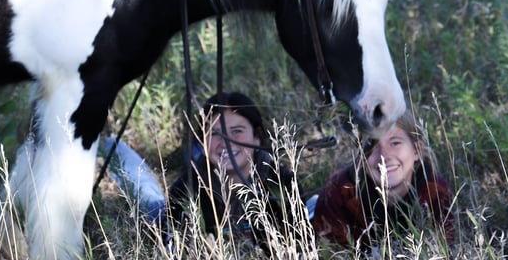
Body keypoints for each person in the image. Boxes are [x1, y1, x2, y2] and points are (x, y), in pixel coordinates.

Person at [168, 91, 304, 248]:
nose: (225, 142)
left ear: (257, 136)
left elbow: (302, 247)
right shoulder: (185, 192)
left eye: (237, 131)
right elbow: (176, 250)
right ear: (202, 141)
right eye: (215, 133)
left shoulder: (284, 185)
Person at [311, 110, 454, 247]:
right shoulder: (339, 193)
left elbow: (445, 246)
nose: (384, 156)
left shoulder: (435, 192)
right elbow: (331, 254)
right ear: (361, 156)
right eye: (371, 146)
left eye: (395, 143)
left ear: (417, 150)